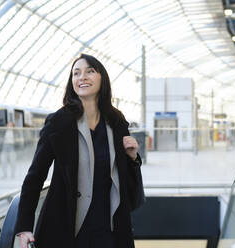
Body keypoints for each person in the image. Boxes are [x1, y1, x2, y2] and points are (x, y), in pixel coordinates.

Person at [14, 54, 145, 248]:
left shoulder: (116, 122)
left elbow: (124, 179)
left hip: (109, 229)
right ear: (72, 82)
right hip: (67, 228)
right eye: (76, 73)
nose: (82, 77)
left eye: (89, 71)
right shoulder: (58, 122)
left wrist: (133, 157)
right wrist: (24, 226)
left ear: (103, 79)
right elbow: (35, 175)